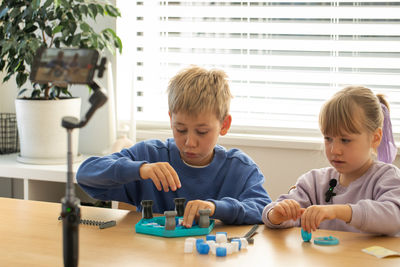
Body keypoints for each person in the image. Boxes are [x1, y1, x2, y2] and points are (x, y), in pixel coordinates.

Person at [77, 66, 272, 227]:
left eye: (202, 132)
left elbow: (263, 209)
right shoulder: (150, 155)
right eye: (180, 129)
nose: (190, 142)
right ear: (171, 120)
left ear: (224, 124)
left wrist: (215, 208)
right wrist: (140, 169)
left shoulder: (239, 168)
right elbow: (85, 175)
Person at [262, 86, 400, 236]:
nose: (335, 150)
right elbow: (274, 213)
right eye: (328, 138)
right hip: (324, 259)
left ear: (375, 138)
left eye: (345, 140)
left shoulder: (387, 177)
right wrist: (276, 215)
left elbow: (394, 217)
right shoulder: (314, 182)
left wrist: (337, 211)